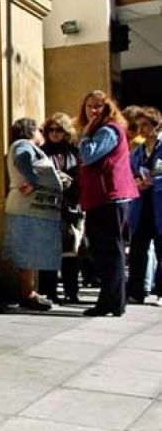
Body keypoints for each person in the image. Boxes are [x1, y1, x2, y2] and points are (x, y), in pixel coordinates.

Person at [77, 90, 139, 317]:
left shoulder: (107, 130)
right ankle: (112, 302)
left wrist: (84, 135)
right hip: (103, 198)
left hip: (109, 198)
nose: (93, 110)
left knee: (109, 251)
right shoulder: (105, 129)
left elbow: (89, 155)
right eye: (89, 106)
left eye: (98, 107)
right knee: (106, 251)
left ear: (107, 108)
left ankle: (111, 303)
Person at [4, 118, 64, 311]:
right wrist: (34, 180)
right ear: (31, 131)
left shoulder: (23, 146)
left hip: (30, 209)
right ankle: (27, 294)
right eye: (40, 129)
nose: (43, 133)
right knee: (27, 252)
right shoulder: (23, 145)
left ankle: (30, 292)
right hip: (26, 208)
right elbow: (22, 159)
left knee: (30, 252)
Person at [37, 113, 84, 304]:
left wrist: (72, 183)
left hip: (71, 204)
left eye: (59, 130)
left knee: (72, 250)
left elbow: (83, 175)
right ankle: (49, 291)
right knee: (49, 249)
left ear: (66, 132)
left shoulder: (74, 151)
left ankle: (72, 291)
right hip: (50, 204)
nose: (55, 134)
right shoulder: (42, 151)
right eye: (51, 130)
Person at [126, 106, 162, 306]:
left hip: (159, 205)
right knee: (138, 250)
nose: (141, 129)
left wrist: (153, 183)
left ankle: (161, 292)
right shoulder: (137, 151)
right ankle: (136, 291)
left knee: (161, 250)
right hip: (141, 206)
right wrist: (136, 182)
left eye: (145, 125)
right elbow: (129, 174)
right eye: (138, 125)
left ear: (156, 126)